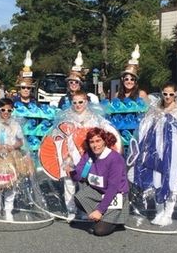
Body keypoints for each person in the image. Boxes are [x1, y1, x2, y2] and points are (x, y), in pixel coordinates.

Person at [40, 90, 121, 221]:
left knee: (87, 184)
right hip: (70, 157)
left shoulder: (95, 118)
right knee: (69, 184)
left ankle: (85, 209)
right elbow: (57, 137)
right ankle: (71, 211)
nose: (78, 105)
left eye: (81, 102)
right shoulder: (66, 119)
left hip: (89, 158)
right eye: (75, 102)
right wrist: (64, 158)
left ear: (86, 102)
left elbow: (106, 133)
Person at [134, 82, 177, 227]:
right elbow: (146, 128)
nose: (167, 97)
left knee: (172, 179)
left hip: (175, 150)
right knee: (157, 179)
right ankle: (159, 211)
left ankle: (168, 213)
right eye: (165, 94)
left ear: (176, 94)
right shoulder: (155, 109)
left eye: (171, 94)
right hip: (157, 149)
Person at [70, 128, 129, 236]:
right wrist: (71, 171)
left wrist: (100, 211)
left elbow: (113, 188)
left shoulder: (115, 159)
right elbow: (79, 176)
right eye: (91, 142)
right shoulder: (88, 155)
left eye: (98, 141)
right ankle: (104, 217)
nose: (95, 145)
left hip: (115, 195)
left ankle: (114, 220)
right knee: (78, 198)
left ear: (104, 141)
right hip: (98, 191)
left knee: (99, 231)